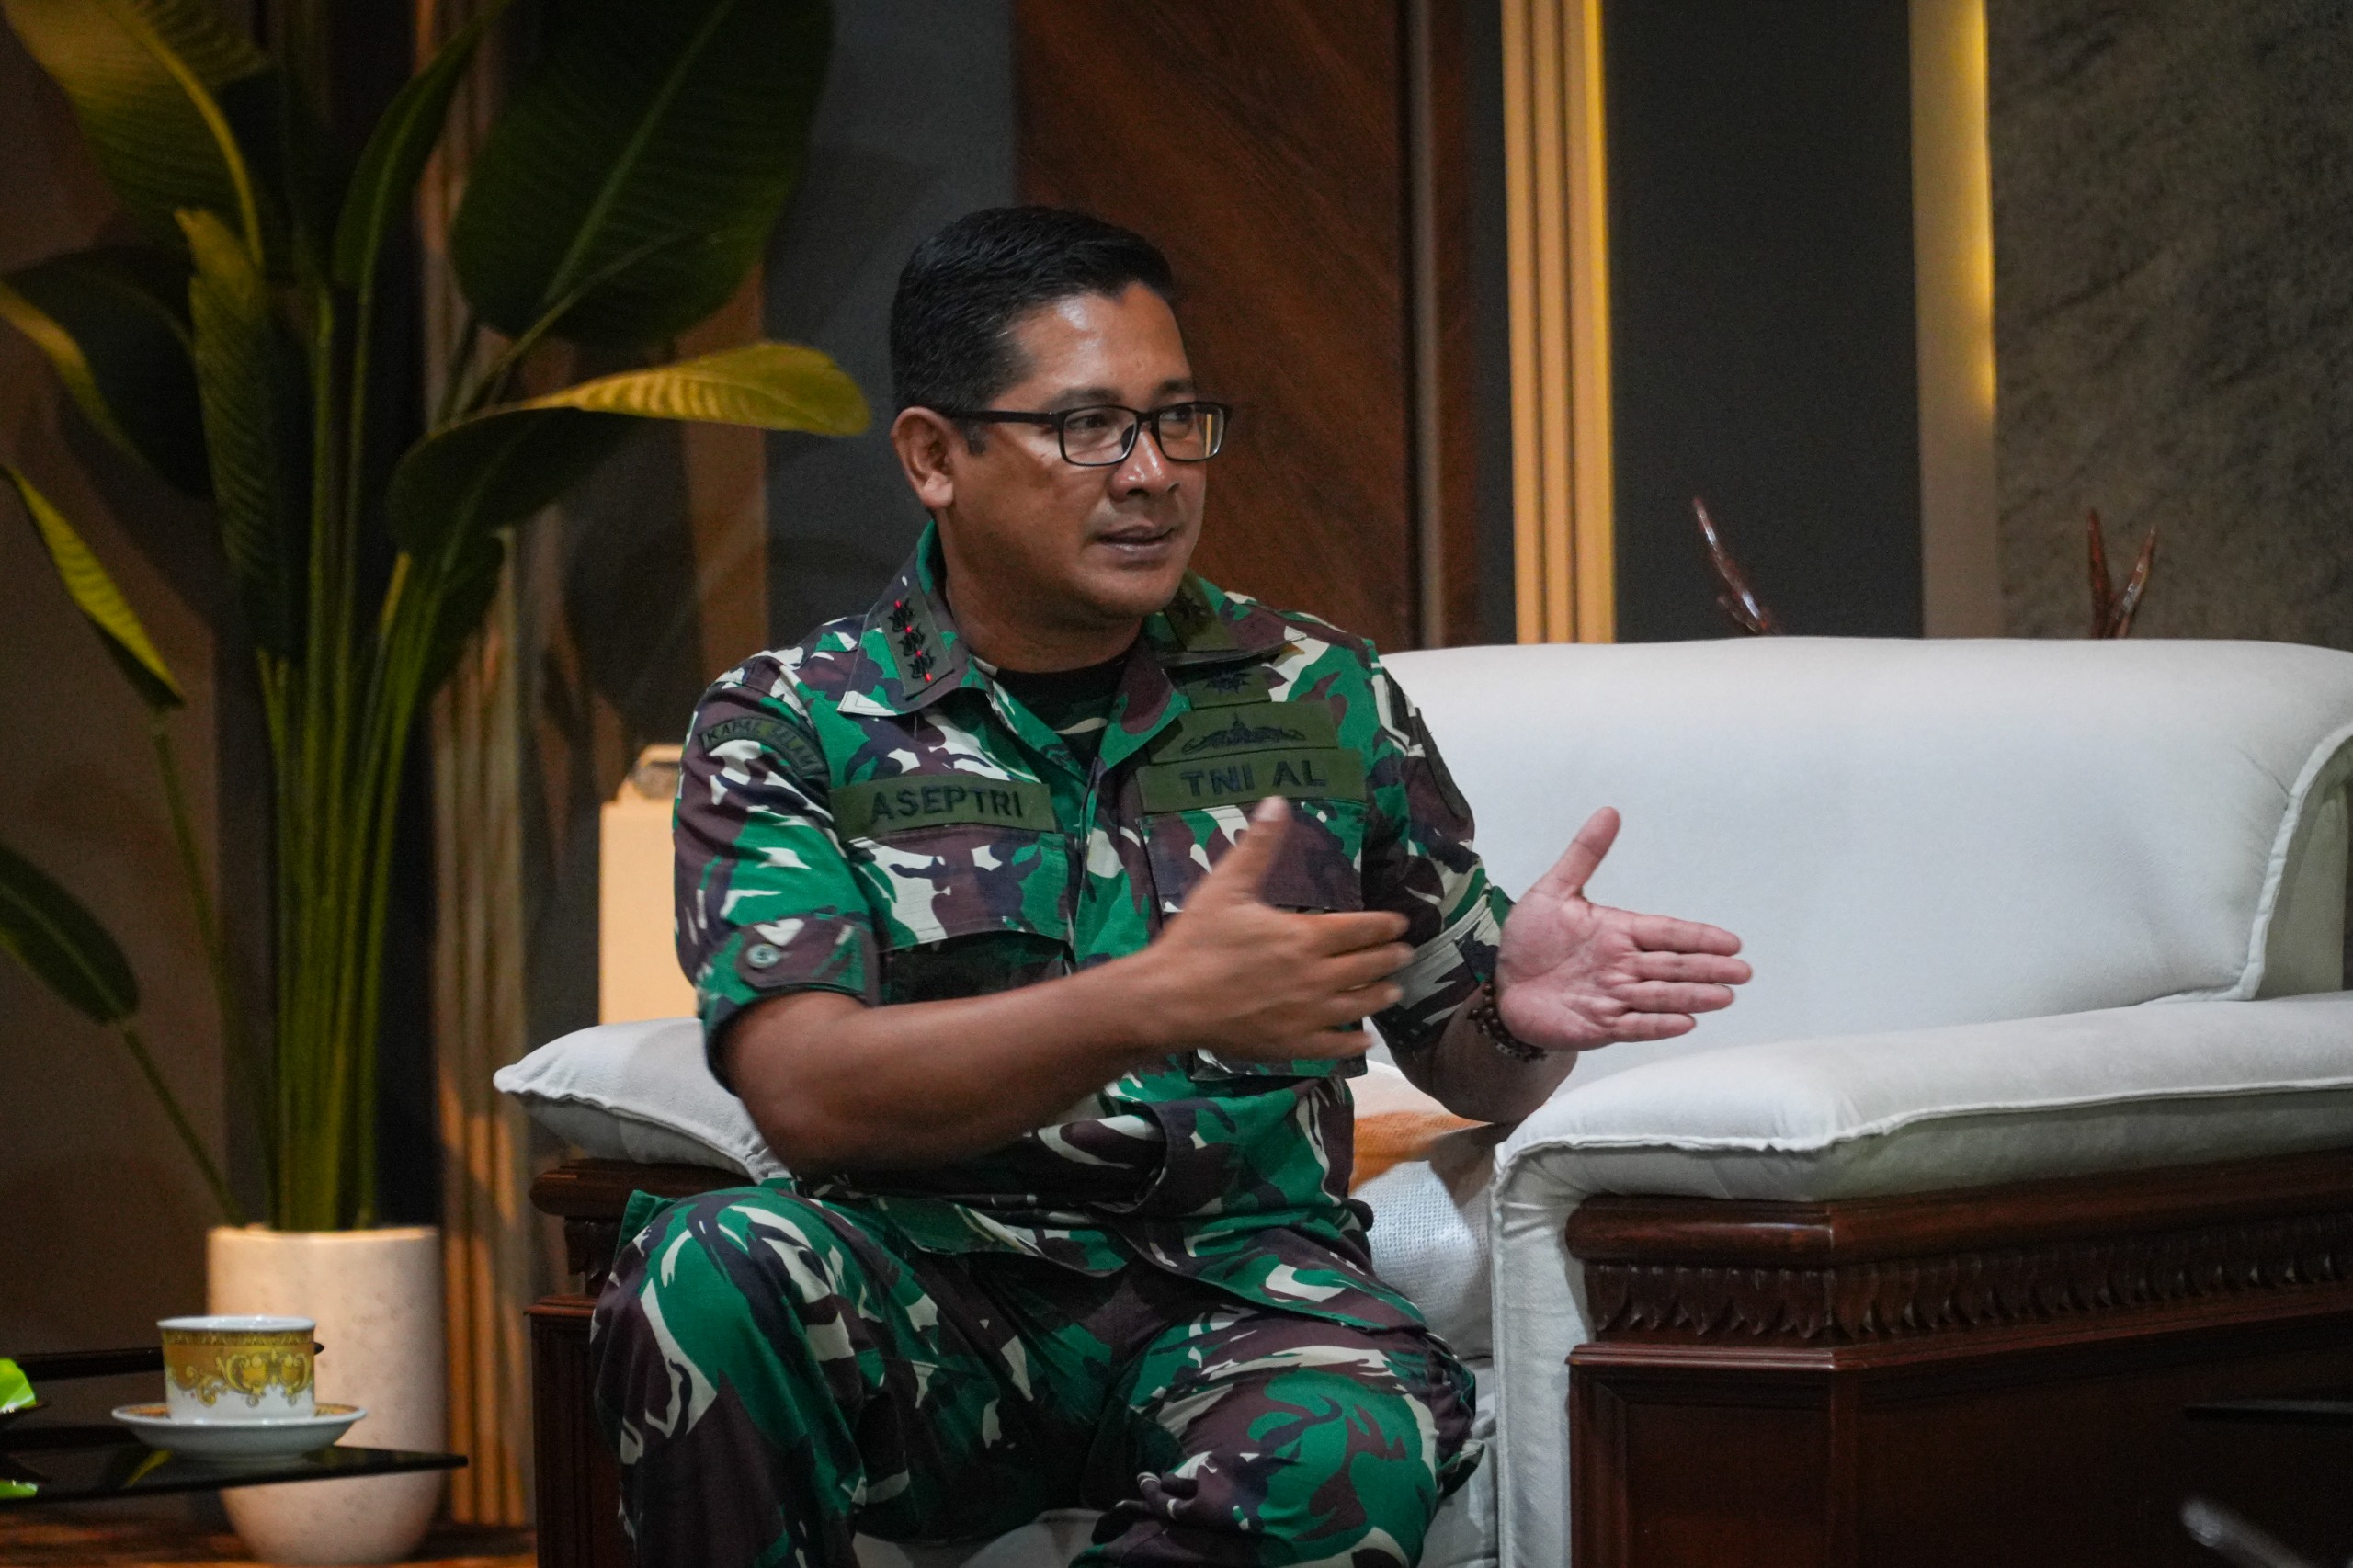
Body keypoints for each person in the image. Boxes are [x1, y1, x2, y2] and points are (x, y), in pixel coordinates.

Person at [591, 207, 1751, 1568]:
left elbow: (1467, 1061)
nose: (1151, 475)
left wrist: (1521, 1015)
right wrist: (1147, 1002)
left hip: (1246, 1295)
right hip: (930, 1287)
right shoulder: (792, 723)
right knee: (705, 1268)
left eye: (1178, 421)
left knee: (1346, 1442)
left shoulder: (1316, 692)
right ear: (934, 456)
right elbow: (802, 1085)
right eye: (1088, 427)